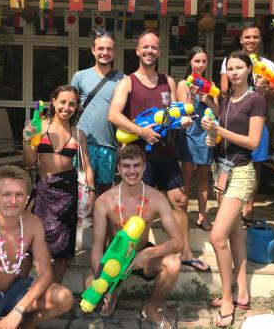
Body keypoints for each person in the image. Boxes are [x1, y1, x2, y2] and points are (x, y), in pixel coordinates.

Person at [108, 30, 210, 272]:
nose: (149, 51)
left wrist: (182, 122)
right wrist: (142, 132)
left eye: (154, 47)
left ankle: (185, 252)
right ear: (137, 50)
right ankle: (133, 258)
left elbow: (175, 113)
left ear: (159, 51)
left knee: (180, 200)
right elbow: (113, 115)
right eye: (145, 47)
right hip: (138, 156)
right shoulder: (127, 81)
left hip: (165, 152)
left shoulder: (168, 82)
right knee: (139, 208)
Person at [0, 165, 73, 329]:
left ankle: (26, 325)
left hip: (15, 292)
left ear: (26, 197)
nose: (13, 201)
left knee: (64, 297)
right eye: (6, 194)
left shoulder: (33, 223)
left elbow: (45, 275)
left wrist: (18, 310)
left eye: (19, 195)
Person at [201, 51, 266, 327]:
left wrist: (220, 131)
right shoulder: (226, 100)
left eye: (240, 67)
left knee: (217, 237)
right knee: (236, 233)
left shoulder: (256, 100)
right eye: (230, 68)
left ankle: (227, 298)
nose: (235, 72)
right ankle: (243, 292)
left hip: (241, 174)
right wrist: (212, 137)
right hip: (222, 172)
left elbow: (252, 142)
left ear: (249, 69)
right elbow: (221, 135)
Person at [91, 145, 183, 328]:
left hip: (142, 256)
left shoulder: (156, 198)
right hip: (113, 259)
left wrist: (149, 253)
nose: (131, 171)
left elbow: (178, 242)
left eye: (136, 165)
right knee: (90, 287)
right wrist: (101, 283)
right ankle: (113, 291)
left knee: (173, 263)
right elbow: (96, 248)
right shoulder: (104, 200)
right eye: (126, 166)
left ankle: (151, 308)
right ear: (118, 169)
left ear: (144, 167)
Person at [22, 85, 95, 283]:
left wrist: (91, 191)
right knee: (31, 248)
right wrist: (26, 141)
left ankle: (53, 292)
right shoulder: (39, 126)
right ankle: (16, 292)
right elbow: (29, 162)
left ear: (77, 107)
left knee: (63, 251)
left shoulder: (78, 134)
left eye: (72, 104)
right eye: (62, 102)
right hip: (44, 191)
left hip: (68, 194)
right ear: (53, 102)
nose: (66, 107)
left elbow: (87, 166)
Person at [220, 21, 274, 220]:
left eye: (255, 37)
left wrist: (265, 90)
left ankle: (249, 206)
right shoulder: (231, 61)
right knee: (232, 161)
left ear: (260, 39)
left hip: (257, 121)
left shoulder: (268, 65)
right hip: (236, 119)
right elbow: (222, 91)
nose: (251, 40)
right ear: (241, 39)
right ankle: (231, 205)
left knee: (256, 164)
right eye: (247, 37)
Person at [71, 30, 124, 194]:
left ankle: (100, 221)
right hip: (82, 145)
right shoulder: (80, 76)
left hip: (108, 146)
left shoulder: (123, 79)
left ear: (114, 52)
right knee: (80, 191)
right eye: (101, 48)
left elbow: (125, 113)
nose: (105, 52)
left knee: (105, 192)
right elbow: (69, 110)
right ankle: (81, 221)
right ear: (93, 50)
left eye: (109, 49)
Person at [176, 46, 219, 231]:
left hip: (206, 134)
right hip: (189, 134)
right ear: (190, 62)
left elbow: (218, 112)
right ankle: (182, 216)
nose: (200, 64)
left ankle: (203, 216)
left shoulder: (211, 84)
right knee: (185, 177)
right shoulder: (182, 84)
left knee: (203, 177)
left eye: (203, 61)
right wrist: (192, 95)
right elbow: (181, 112)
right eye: (197, 61)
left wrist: (207, 99)